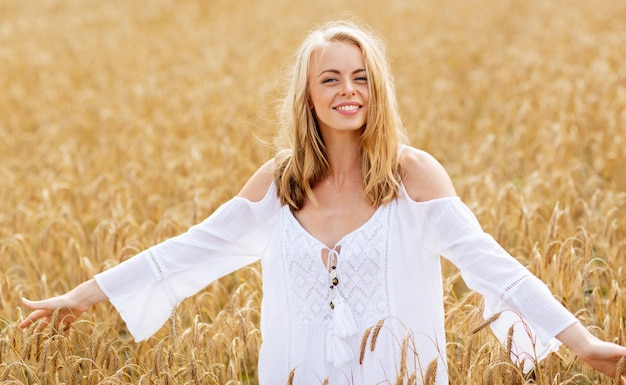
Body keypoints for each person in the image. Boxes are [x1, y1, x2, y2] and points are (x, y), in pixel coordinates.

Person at [19, 20, 626, 385]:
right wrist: (79, 296)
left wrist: (585, 345)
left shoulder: (411, 176)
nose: (348, 91)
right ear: (307, 95)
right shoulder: (280, 184)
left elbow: (495, 269)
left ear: (376, 89)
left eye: (361, 78)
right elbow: (185, 254)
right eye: (330, 79)